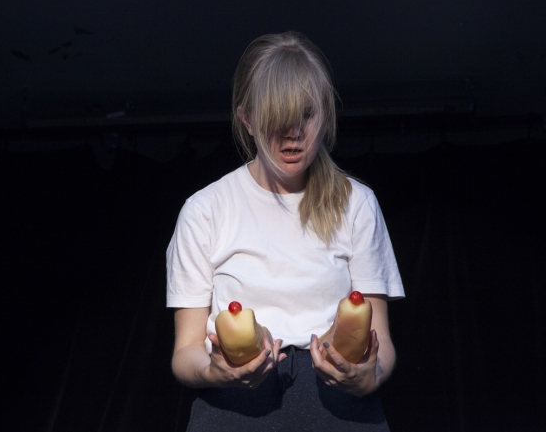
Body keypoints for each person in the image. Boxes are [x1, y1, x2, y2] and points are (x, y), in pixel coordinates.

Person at [166, 31, 405, 431]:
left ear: (325, 115)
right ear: (247, 118)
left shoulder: (357, 203)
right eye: (278, 116)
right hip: (235, 411)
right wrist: (214, 373)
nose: (293, 131)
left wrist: (371, 377)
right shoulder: (205, 210)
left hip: (340, 411)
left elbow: (380, 339)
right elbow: (186, 350)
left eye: (307, 114)